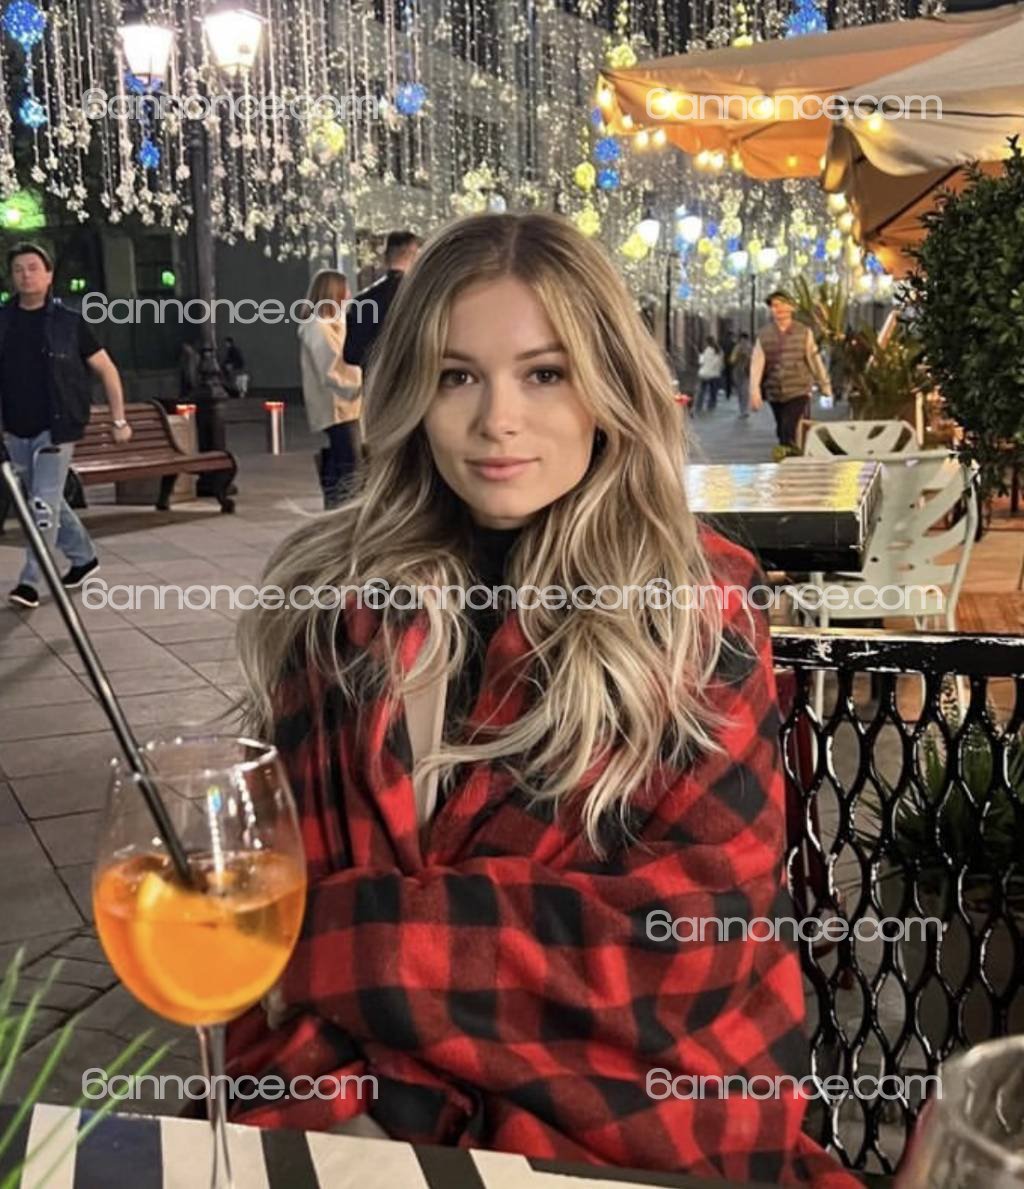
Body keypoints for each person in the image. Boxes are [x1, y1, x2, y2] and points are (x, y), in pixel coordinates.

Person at [225, 212, 859, 1188]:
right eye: (456, 375)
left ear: (607, 385)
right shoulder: (335, 610)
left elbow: (687, 946)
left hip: (643, 1132)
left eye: (545, 373)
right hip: (372, 1134)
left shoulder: (696, 607)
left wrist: (337, 936)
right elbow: (258, 956)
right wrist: (331, 1126)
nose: (498, 420)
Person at [0, 242, 132, 611]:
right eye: (18, 269)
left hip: (56, 428)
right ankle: (83, 557)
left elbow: (107, 369)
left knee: (42, 505)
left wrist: (119, 420)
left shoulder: (68, 323)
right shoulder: (3, 321)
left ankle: (31, 581)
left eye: (33, 268)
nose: (26, 275)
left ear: (49, 275)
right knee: (45, 500)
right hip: (15, 429)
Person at [297, 269, 362, 508]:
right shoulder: (318, 327)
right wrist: (359, 385)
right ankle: (342, 506)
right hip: (337, 403)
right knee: (349, 461)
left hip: (347, 404)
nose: (349, 295)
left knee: (344, 456)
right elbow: (331, 367)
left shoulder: (334, 323)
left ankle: (337, 504)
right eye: (345, 290)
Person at [751, 291, 832, 448]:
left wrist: (825, 386)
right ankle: (788, 453)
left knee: (788, 427)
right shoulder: (764, 335)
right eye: (775, 306)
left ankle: (788, 454)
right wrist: (754, 390)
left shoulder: (804, 332)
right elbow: (757, 363)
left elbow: (814, 360)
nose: (779, 309)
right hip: (775, 391)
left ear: (791, 307)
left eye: (782, 304)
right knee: (782, 428)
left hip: (799, 389)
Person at [343, 229, 422, 370]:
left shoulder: (363, 300)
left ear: (386, 256)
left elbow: (352, 354)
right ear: (413, 255)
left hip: (376, 378)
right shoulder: (422, 298)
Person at [694, 336, 723, 412]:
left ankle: (699, 406)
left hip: (705, 374)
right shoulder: (718, 351)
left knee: (702, 391)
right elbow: (719, 363)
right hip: (714, 374)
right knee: (713, 392)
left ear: (707, 342)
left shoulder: (706, 351)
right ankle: (711, 406)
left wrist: (699, 355)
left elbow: (701, 362)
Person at [731, 331, 753, 418]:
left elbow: (754, 359)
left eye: (744, 340)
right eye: (742, 340)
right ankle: (743, 410)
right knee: (742, 392)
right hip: (741, 371)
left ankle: (744, 410)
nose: (744, 342)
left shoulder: (747, 348)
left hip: (744, 371)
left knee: (743, 392)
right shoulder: (739, 348)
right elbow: (732, 360)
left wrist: (746, 356)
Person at [720, 325, 736, 399]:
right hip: (730, 361)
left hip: (724, 361)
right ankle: (728, 391)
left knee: (725, 376)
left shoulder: (723, 342)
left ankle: (726, 390)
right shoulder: (733, 343)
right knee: (729, 376)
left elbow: (721, 351)